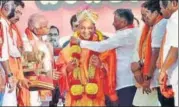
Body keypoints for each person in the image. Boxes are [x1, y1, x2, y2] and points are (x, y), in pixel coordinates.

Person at [71, 9, 140, 106]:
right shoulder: (134, 32)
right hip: (124, 82)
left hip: (124, 82)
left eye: (115, 21)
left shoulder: (124, 35)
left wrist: (80, 42)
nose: (112, 23)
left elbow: (101, 47)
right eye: (82, 28)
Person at [57, 9, 118, 106]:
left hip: (96, 95)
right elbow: (59, 70)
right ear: (77, 29)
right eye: (83, 28)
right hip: (75, 97)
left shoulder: (103, 48)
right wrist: (67, 69)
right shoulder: (68, 49)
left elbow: (112, 71)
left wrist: (101, 65)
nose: (86, 31)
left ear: (95, 28)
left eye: (90, 28)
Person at [132, 0, 175, 106]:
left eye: (145, 15)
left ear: (156, 13)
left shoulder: (160, 25)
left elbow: (155, 54)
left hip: (166, 79)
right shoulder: (154, 27)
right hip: (164, 77)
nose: (143, 18)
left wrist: (147, 78)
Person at [0, 1, 30, 106]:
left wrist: (20, 78)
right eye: (16, 12)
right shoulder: (2, 23)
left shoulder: (12, 29)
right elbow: (3, 53)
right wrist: (9, 75)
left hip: (10, 77)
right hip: (5, 76)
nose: (18, 16)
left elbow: (16, 58)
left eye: (20, 13)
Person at [22, 13, 54, 106]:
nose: (47, 28)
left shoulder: (44, 40)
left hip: (46, 82)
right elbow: (29, 63)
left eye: (47, 25)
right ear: (34, 28)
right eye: (44, 26)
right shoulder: (26, 41)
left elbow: (48, 62)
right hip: (33, 83)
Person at [158, 0, 178, 106]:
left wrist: (163, 71)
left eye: (162, 8)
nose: (161, 11)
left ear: (174, 3)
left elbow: (174, 50)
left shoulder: (175, 20)